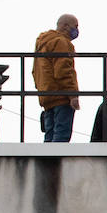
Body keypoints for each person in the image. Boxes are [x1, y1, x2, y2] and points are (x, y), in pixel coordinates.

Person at [31, 13, 79, 142]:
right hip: (61, 97)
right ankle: (55, 162)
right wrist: (72, 95)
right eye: (75, 26)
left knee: (49, 136)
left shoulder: (42, 43)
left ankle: (47, 162)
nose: (77, 30)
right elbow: (63, 71)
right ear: (65, 26)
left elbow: (35, 71)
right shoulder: (61, 42)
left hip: (46, 96)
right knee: (61, 138)